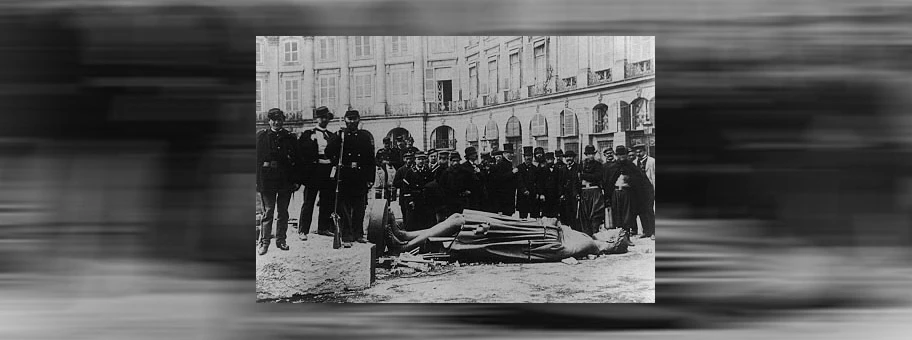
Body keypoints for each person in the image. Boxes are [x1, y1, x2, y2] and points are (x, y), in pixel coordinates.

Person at [386, 210, 630, 262]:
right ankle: (406, 235)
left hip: (520, 234)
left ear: (610, 241)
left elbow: (556, 249)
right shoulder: (588, 240)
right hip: (523, 227)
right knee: (456, 218)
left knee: (459, 222)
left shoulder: (589, 243)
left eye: (612, 231)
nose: (607, 229)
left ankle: (405, 246)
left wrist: (552, 226)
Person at [326, 109, 375, 248]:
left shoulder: (364, 137)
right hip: (345, 176)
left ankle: (358, 234)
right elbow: (328, 152)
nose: (352, 122)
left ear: (359, 120)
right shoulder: (340, 135)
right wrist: (337, 161)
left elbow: (370, 159)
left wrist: (370, 178)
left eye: (354, 119)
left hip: (360, 176)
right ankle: (347, 235)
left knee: (360, 207)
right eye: (349, 119)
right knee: (344, 207)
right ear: (345, 120)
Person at [256, 108, 299, 255]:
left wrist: (295, 181)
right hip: (267, 179)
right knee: (268, 212)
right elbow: (255, 160)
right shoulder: (261, 137)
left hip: (284, 179)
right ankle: (264, 243)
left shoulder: (289, 137)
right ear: (269, 121)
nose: (277, 122)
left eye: (279, 119)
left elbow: (296, 161)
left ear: (283, 121)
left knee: (283, 212)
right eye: (274, 119)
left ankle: (281, 240)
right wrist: (257, 181)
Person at [296, 106, 339, 241]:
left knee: (326, 200)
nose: (324, 120)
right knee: (309, 201)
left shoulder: (332, 136)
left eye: (326, 117)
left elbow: (336, 154)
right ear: (317, 119)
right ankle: (303, 230)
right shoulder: (308, 134)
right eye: (322, 117)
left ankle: (323, 228)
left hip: (327, 171)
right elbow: (301, 155)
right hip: (314, 172)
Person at [603, 145, 654, 239]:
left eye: (623, 155)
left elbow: (640, 180)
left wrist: (630, 179)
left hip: (628, 193)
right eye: (619, 155)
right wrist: (607, 197)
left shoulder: (631, 166)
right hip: (616, 193)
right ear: (616, 155)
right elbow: (608, 182)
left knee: (627, 216)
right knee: (617, 215)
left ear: (626, 155)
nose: (621, 157)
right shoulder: (612, 167)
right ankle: (619, 236)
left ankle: (627, 237)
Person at [493, 144, 517, 216]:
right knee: (505, 213)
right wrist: (512, 173)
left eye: (512, 153)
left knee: (509, 213)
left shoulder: (510, 163)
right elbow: (500, 178)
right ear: (505, 154)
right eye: (510, 153)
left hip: (510, 193)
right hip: (503, 194)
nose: (511, 155)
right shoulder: (501, 164)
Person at [393, 151, 416, 229]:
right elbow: (395, 183)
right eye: (407, 159)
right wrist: (404, 181)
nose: (409, 160)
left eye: (410, 159)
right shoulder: (400, 170)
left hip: (414, 195)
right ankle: (406, 230)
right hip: (403, 195)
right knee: (405, 213)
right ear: (404, 159)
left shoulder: (415, 169)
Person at [560, 150, 581, 229]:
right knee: (565, 215)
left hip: (574, 195)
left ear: (574, 158)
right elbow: (560, 182)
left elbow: (579, 182)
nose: (569, 159)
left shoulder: (578, 167)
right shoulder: (562, 169)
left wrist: (578, 193)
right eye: (567, 157)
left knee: (575, 215)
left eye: (570, 157)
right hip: (565, 195)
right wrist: (561, 194)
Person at [515, 146, 538, 219]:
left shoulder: (535, 169)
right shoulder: (519, 168)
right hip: (523, 196)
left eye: (530, 156)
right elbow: (518, 181)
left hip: (532, 195)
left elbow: (537, 181)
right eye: (527, 156)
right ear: (524, 157)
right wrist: (523, 190)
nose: (528, 158)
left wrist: (536, 192)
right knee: (523, 216)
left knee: (533, 216)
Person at [537, 152, 561, 218]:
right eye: (548, 159)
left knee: (554, 214)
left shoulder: (558, 170)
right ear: (546, 160)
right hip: (545, 196)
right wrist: (541, 194)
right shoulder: (542, 170)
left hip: (555, 196)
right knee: (545, 214)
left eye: (551, 159)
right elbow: (540, 183)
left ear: (554, 159)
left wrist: (560, 194)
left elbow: (559, 182)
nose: (550, 161)